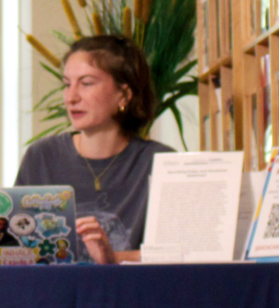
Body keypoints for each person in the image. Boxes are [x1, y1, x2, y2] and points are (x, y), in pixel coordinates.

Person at [15, 35, 174, 264]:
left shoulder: (161, 162)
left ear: (124, 95)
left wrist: (113, 258)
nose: (71, 97)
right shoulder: (41, 157)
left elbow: (179, 254)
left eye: (86, 83)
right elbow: (17, 247)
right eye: (67, 84)